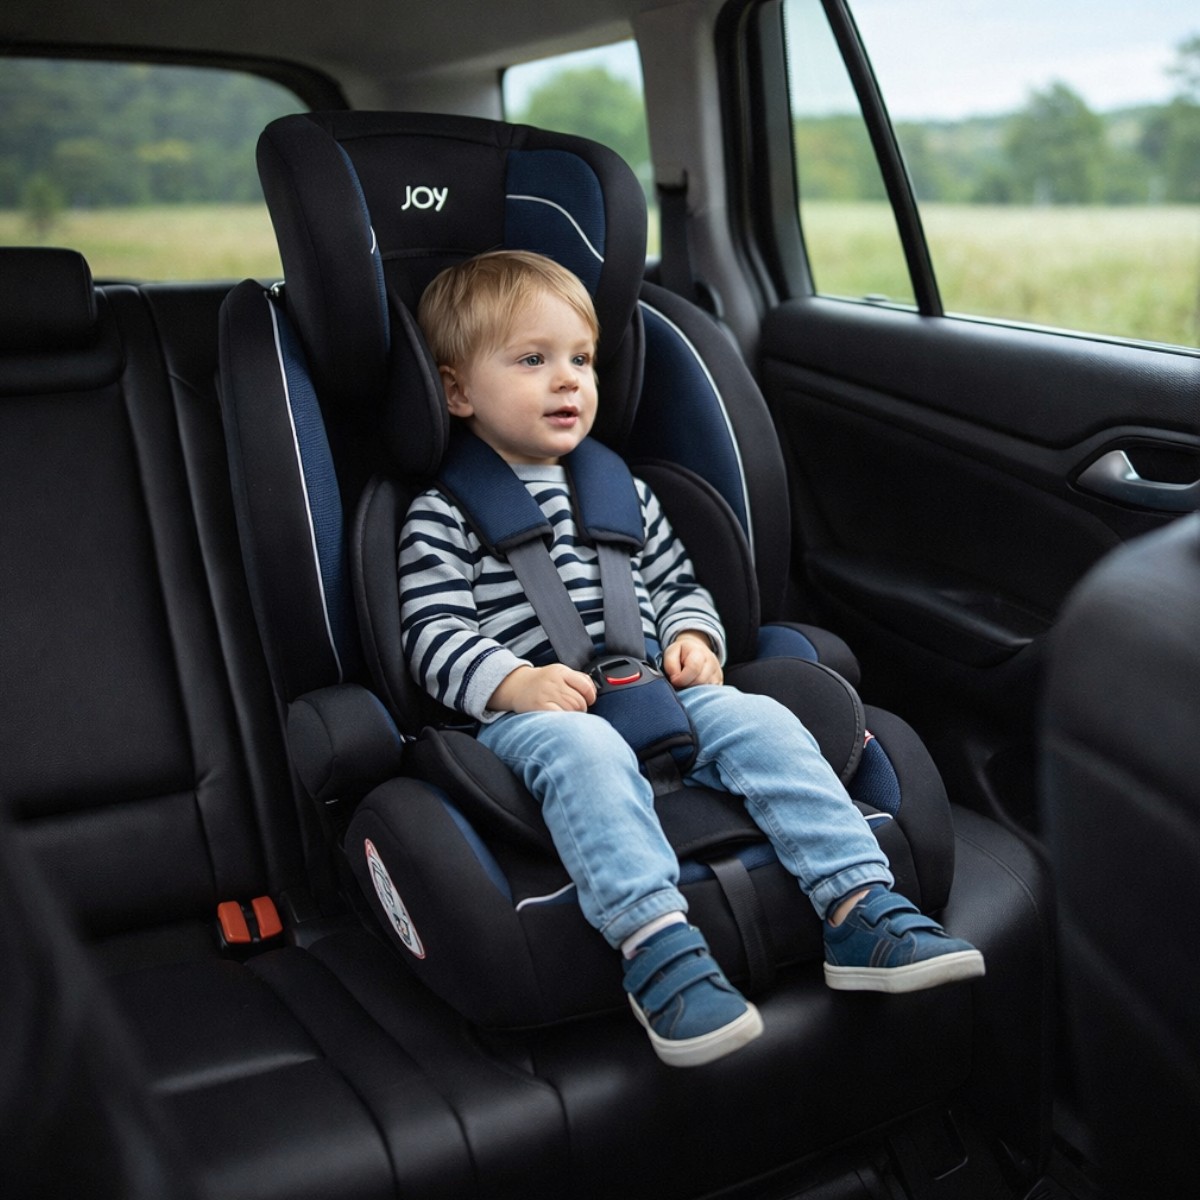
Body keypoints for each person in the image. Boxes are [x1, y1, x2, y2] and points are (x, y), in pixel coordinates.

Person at [400, 249, 985, 1068]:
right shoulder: (442, 513)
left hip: (654, 690)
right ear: (457, 390)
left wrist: (694, 639)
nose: (568, 381)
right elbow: (431, 630)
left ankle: (860, 907)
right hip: (539, 717)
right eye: (532, 361)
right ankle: (658, 952)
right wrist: (514, 681)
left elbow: (677, 585)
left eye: (581, 360)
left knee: (761, 721)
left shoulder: (625, 495)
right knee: (586, 753)